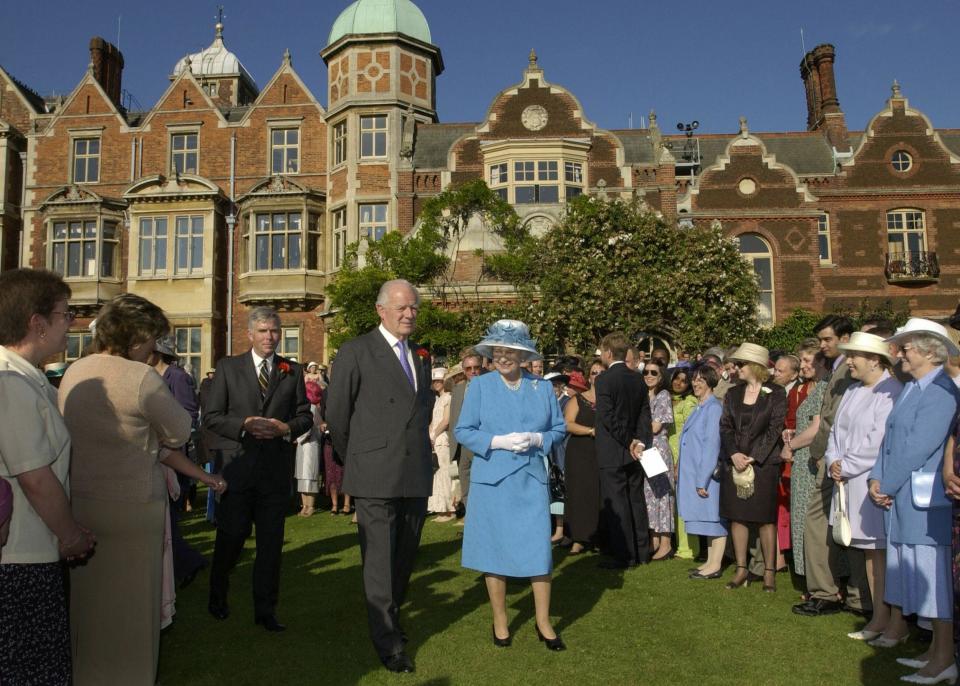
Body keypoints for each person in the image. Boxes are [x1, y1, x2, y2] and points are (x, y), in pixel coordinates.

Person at [60, 293, 224, 685]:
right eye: (152, 339)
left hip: (80, 503)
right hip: (133, 509)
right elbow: (181, 430)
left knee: (90, 612)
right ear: (136, 338)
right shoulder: (141, 377)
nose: (155, 349)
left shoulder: (74, 371)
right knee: (133, 614)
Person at [325, 279, 435, 673]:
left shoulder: (420, 355)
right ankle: (388, 642)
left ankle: (392, 618)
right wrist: (356, 455)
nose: (409, 314)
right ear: (381, 310)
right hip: (374, 473)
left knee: (404, 556)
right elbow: (336, 414)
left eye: (414, 308)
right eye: (402, 308)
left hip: (415, 471)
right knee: (379, 562)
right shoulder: (357, 350)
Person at [0, 268, 94, 684]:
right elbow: (34, 477)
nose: (70, 322)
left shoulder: (27, 379)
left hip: (31, 552)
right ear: (37, 324)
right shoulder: (11, 385)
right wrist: (71, 535)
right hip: (19, 560)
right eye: (64, 313)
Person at [455, 319, 567, 651]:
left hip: (530, 481)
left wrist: (537, 438)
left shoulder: (542, 387)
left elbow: (558, 430)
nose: (503, 357)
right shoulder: (480, 386)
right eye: (498, 351)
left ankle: (544, 622)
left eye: (511, 351)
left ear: (522, 355)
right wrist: (497, 441)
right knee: (495, 552)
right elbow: (464, 431)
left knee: (539, 552)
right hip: (493, 482)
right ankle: (500, 619)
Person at [205, 306, 313, 633]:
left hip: (274, 473)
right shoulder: (228, 368)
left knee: (270, 545)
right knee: (232, 537)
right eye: (264, 331)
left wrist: (285, 429)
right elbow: (211, 417)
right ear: (250, 334)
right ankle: (217, 594)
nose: (270, 337)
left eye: (275, 331)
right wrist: (244, 424)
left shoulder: (291, 371)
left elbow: (305, 416)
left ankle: (266, 610)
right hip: (237, 470)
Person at [867, 320, 959, 684]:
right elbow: (890, 441)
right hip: (902, 497)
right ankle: (935, 653)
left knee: (934, 582)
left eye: (907, 347)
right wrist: (877, 477)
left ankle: (944, 659)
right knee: (921, 577)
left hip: (924, 503)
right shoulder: (911, 389)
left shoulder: (941, 391)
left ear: (928, 351)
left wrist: (885, 483)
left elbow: (919, 445)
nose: (900, 352)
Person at [821, 332, 902, 642]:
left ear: (875, 360)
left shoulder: (891, 391)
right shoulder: (854, 390)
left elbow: (878, 441)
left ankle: (886, 619)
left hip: (870, 484)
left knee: (878, 554)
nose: (849, 361)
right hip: (847, 484)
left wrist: (848, 464)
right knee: (869, 555)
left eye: (855, 355)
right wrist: (833, 461)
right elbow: (834, 434)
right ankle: (878, 617)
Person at [793, 315, 869, 618]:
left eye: (828, 339)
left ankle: (829, 592)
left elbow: (831, 420)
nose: (823, 346)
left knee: (827, 524)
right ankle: (847, 594)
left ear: (846, 337)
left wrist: (818, 450)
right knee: (838, 525)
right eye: (821, 340)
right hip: (834, 457)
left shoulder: (847, 371)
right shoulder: (838, 370)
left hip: (838, 459)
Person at [718, 342, 787, 593]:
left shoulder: (776, 393)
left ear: (756, 366)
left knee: (765, 518)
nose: (736, 368)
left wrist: (754, 457)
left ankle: (769, 571)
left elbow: (774, 429)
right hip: (734, 462)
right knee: (737, 516)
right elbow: (725, 426)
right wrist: (734, 453)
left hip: (764, 464)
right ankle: (741, 568)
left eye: (741, 364)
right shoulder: (732, 393)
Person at [594, 332, 653, 569]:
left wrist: (630, 440)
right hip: (634, 450)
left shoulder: (604, 380)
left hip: (614, 449)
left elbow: (608, 417)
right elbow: (644, 415)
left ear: (608, 353)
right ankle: (642, 551)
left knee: (617, 505)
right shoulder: (636, 378)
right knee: (635, 500)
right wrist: (640, 442)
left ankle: (625, 556)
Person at [782, 339, 827, 581]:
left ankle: (818, 580)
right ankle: (809, 578)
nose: (803, 367)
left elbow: (816, 427)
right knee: (801, 519)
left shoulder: (824, 388)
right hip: (802, 462)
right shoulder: (810, 387)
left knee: (811, 523)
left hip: (811, 460)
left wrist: (790, 446)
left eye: (808, 361)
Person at [678, 364, 727, 579]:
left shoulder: (714, 408)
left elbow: (711, 446)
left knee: (713, 520)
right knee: (706, 519)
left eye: (701, 380)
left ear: (710, 383)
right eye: (694, 379)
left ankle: (715, 564)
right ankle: (709, 561)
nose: (696, 383)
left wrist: (702, 480)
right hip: (696, 474)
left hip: (706, 477)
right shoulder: (701, 407)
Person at [642, 360, 676, 560]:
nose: (648, 375)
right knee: (650, 497)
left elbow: (655, 427)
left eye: (653, 372)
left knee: (662, 497)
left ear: (662, 376)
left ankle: (666, 543)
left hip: (657, 451)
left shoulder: (663, 396)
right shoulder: (646, 395)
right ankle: (654, 540)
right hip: (645, 450)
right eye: (645, 371)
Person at [562, 369, 596, 554]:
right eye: (594, 372)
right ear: (589, 377)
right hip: (580, 451)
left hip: (602, 452)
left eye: (601, 372)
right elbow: (568, 423)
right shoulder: (577, 399)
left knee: (598, 493)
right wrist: (591, 431)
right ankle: (578, 538)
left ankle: (598, 537)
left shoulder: (609, 400)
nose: (597, 375)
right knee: (579, 494)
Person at [448, 346, 484, 511]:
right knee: (465, 486)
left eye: (476, 367)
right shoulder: (458, 389)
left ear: (481, 367)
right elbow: (453, 418)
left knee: (482, 485)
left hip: (481, 444)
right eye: (469, 368)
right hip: (461, 447)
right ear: (464, 370)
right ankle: (471, 521)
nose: (473, 371)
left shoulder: (489, 388)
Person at [668, 367, 699, 560]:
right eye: (676, 379)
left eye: (683, 381)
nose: (678, 383)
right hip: (666, 453)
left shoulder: (690, 402)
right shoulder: (665, 398)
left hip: (682, 453)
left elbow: (691, 433)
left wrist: (681, 461)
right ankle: (672, 542)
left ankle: (688, 548)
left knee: (683, 504)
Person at [428, 368, 456, 522]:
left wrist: (434, 434)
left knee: (445, 472)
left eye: (438, 380)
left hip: (442, 438)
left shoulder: (448, 397)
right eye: (434, 381)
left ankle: (449, 509)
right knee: (437, 472)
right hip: (435, 439)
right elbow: (434, 420)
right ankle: (440, 508)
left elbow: (446, 420)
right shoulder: (438, 399)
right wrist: (429, 434)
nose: (436, 383)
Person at [295, 378, 324, 516]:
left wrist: (295, 438)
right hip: (302, 446)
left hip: (310, 445)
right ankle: (304, 505)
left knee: (309, 475)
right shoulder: (307, 408)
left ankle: (310, 506)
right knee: (301, 475)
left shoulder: (312, 408)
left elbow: (308, 429)